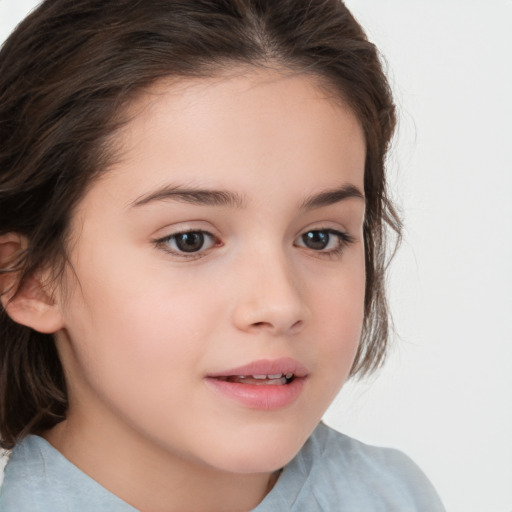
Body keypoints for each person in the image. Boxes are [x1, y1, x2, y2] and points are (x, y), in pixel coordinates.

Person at [0, 1, 445, 510]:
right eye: (190, 239)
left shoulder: (392, 495)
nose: (279, 305)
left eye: (320, 237)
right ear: (29, 277)